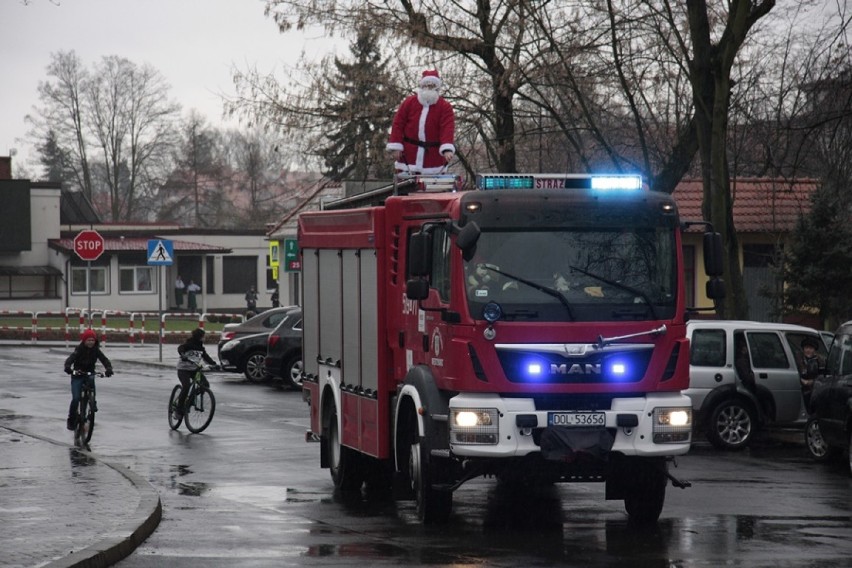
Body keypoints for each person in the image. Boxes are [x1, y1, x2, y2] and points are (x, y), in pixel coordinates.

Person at [387, 69, 456, 174]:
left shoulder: (445, 107)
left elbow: (447, 129)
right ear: (422, 86)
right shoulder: (409, 102)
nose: (429, 88)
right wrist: (396, 147)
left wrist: (447, 149)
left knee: (433, 187)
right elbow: (398, 124)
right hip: (408, 157)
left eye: (432, 86)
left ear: (437, 88)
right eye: (427, 85)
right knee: (404, 187)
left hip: (433, 159)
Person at [64, 328, 113, 430]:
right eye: (88, 340)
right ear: (84, 341)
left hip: (90, 374)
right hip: (78, 375)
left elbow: (104, 360)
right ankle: (71, 419)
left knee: (91, 389)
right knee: (76, 398)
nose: (91, 342)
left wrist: (108, 369)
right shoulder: (79, 349)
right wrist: (68, 368)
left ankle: (92, 405)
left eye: (92, 340)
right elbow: (70, 359)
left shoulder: (96, 350)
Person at [175, 328, 218, 420]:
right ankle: (178, 409)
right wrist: (182, 354)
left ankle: (190, 401)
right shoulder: (189, 344)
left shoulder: (201, 348)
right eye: (203, 336)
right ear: (199, 337)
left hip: (194, 370)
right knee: (186, 386)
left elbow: (206, 357)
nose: (204, 338)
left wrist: (214, 364)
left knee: (205, 385)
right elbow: (181, 348)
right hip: (183, 369)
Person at [799, 336, 822, 411]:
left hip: (815, 390)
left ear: (814, 350)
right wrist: (801, 380)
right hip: (801, 390)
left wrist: (812, 382)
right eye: (806, 348)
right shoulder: (798, 359)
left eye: (811, 348)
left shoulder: (820, 360)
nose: (808, 350)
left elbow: (824, 376)